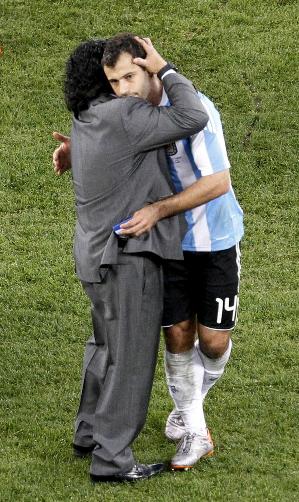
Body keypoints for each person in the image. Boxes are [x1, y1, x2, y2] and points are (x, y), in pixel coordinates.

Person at [53, 33, 244, 472]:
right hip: (129, 256)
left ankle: (90, 433)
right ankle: (116, 458)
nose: (121, 89)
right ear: (101, 84)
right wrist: (166, 68)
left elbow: (214, 170)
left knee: (110, 347)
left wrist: (75, 151)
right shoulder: (126, 115)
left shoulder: (89, 118)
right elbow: (181, 117)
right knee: (134, 359)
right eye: (113, 81)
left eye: (127, 77)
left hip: (108, 254)